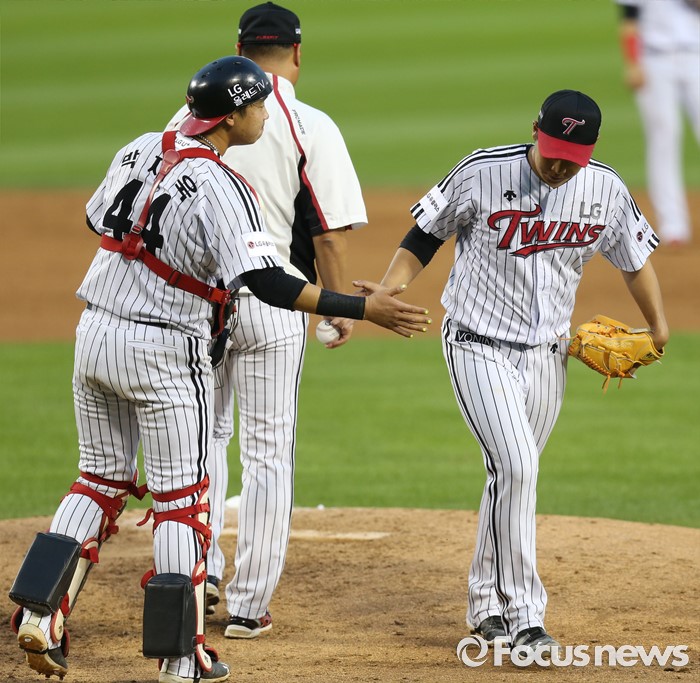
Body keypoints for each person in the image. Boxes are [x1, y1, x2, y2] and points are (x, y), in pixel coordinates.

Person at [8, 56, 430, 683]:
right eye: (258, 106)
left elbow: (101, 219)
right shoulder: (221, 183)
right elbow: (266, 281)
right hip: (163, 352)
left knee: (97, 480)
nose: (266, 115)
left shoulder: (139, 147)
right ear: (230, 117)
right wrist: (361, 308)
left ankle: (40, 612)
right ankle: (182, 658)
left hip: (95, 335)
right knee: (183, 502)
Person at [369, 89, 668, 657]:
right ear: (535, 130)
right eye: (553, 153)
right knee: (517, 464)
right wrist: (390, 287)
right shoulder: (482, 172)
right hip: (476, 344)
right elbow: (424, 235)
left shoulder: (605, 189)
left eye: (572, 159)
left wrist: (658, 327)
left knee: (510, 476)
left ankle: (485, 605)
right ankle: (526, 617)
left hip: (550, 354)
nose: (559, 167)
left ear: (590, 151)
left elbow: (635, 259)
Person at [166, 2, 367, 639]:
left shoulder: (186, 118)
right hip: (279, 303)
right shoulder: (309, 123)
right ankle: (251, 606)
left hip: (200, 303)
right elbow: (328, 233)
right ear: (297, 53)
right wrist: (337, 309)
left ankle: (198, 572)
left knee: (202, 439)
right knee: (268, 451)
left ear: (238, 48)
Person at [616, 0, 700, 246]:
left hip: (696, 54)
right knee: (664, 136)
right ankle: (673, 224)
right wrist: (632, 63)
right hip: (654, 59)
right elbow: (628, 18)